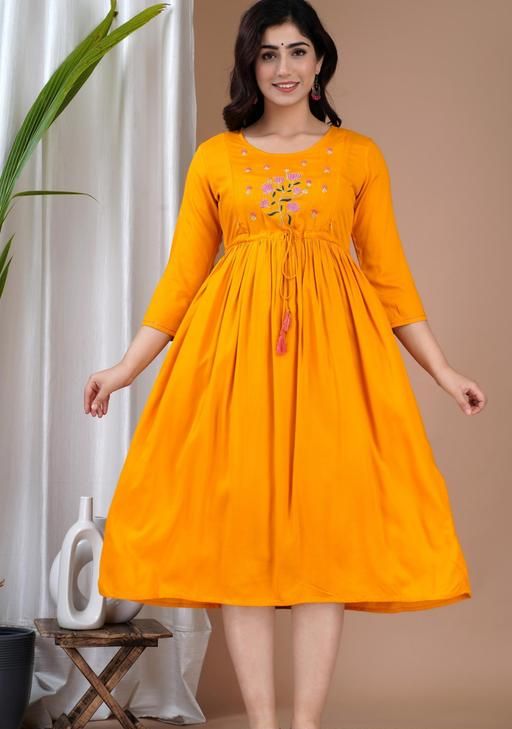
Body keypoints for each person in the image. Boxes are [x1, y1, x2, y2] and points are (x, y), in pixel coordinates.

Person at [84, 1, 486, 728]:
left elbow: (391, 278)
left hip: (334, 367)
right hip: (234, 366)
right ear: (251, 65)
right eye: (268, 54)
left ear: (320, 59)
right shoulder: (216, 157)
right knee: (242, 546)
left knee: (323, 546)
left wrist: (443, 370)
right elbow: (181, 280)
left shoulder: (359, 155)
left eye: (297, 51)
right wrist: (124, 368)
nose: (284, 68)